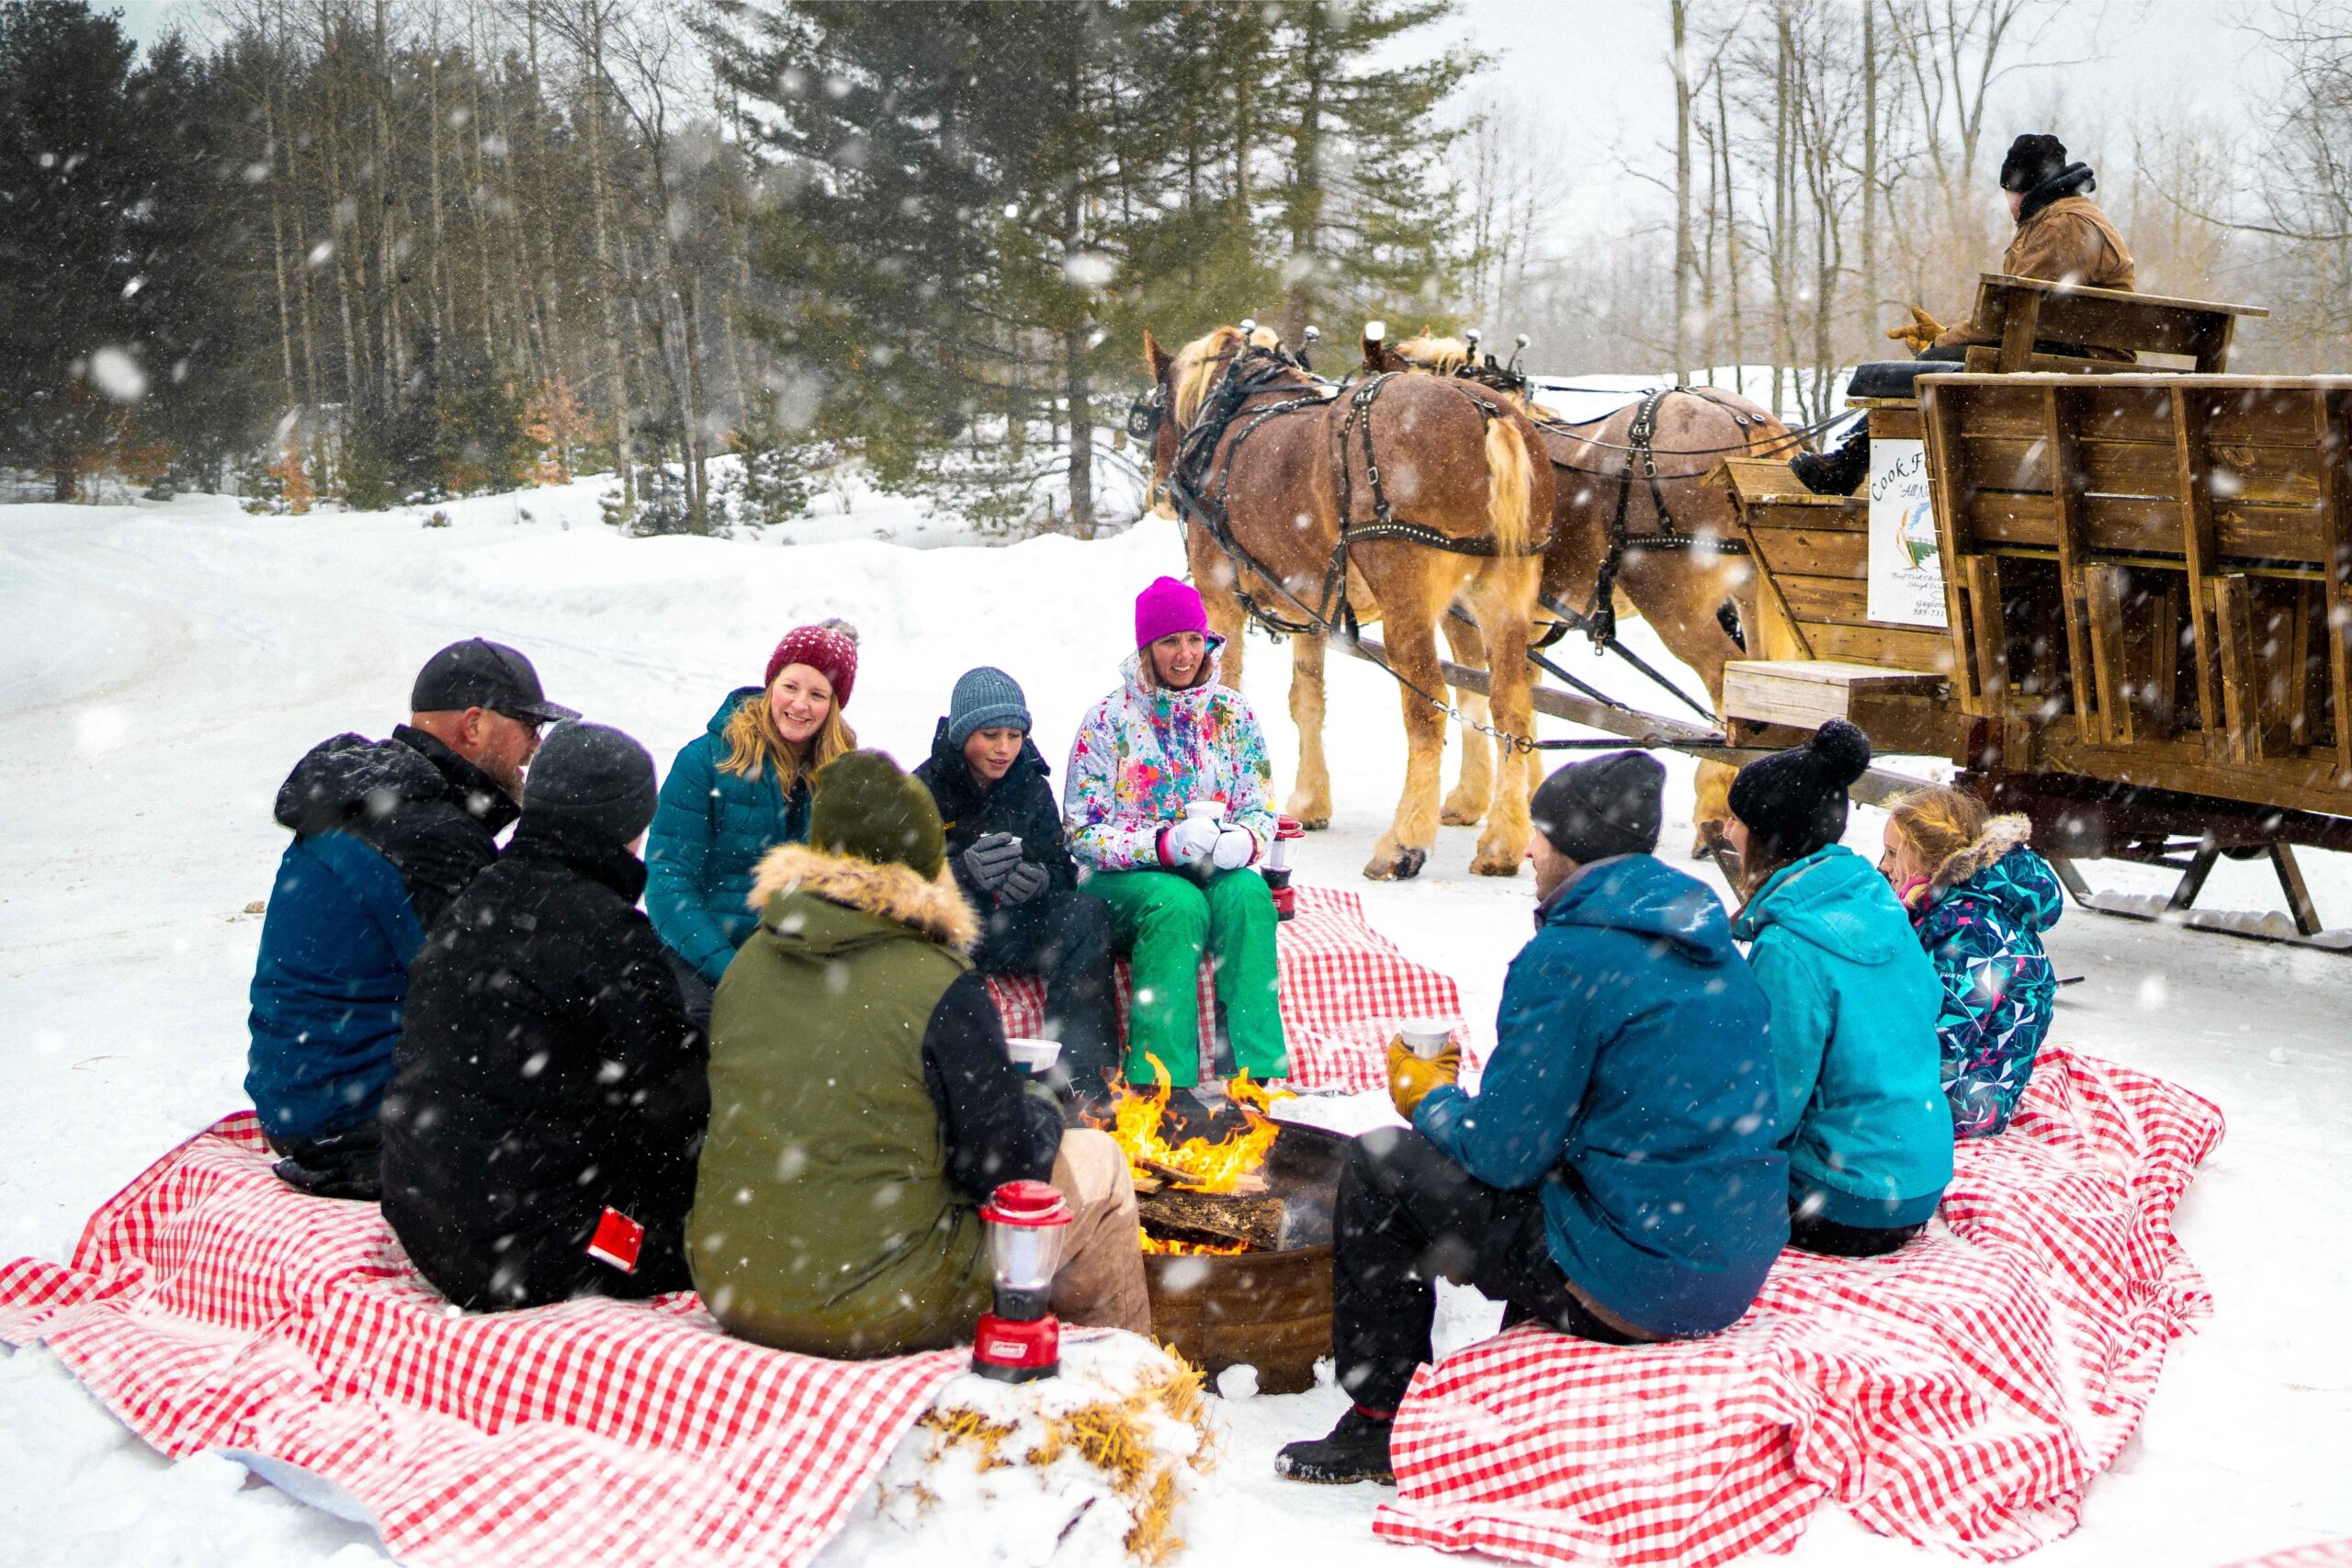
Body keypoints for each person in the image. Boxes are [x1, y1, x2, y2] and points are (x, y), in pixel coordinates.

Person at [1275, 751, 1787, 1486]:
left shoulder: (1570, 956)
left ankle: (1380, 1422)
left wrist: (1427, 1099)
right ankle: (1523, 1343)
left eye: (1539, 836)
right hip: (1729, 1264)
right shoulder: (1710, 941)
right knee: (1576, 1163)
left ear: (1574, 848)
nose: (1525, 849)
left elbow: (1505, 1154)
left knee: (1380, 1163)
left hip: (1640, 1286)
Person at [689, 750, 1148, 1358]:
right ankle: (1127, 1385)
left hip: (733, 1279)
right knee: (1101, 1162)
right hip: (885, 1301)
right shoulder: (937, 982)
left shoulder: (748, 961)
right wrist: (1036, 1103)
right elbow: (1003, 1171)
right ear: (930, 859)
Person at [380, 721, 708, 1309]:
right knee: (709, 1235)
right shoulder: (611, 936)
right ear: (630, 825)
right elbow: (679, 1108)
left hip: (426, 1216)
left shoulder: (477, 898)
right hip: (538, 1246)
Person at [246, 638, 575, 1200]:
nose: (534, 746)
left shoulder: (374, 799)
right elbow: (501, 993)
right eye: (526, 725)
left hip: (301, 1097)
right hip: (352, 1126)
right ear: (474, 726)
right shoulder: (424, 832)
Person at [1064, 577, 1288, 1140]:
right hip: (1123, 884)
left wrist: (1248, 840)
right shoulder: (1106, 722)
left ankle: (1255, 1074)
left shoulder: (1233, 714)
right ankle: (1161, 1083)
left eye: (1194, 639)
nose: (1184, 655)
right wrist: (1159, 844)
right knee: (1177, 901)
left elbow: (1260, 805)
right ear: (1146, 650)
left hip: (1213, 868)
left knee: (1247, 895)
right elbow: (1081, 831)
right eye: (1169, 643)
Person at [1793, 132, 2136, 495]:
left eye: (2008, 192)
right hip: (2078, 349)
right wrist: (1951, 339)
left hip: (2078, 357)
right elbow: (2022, 315)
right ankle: (1851, 462)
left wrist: (1943, 342)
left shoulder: (2058, 226)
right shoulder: (2066, 218)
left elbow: (2012, 315)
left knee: (1925, 373)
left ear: (2019, 189)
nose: (2007, 203)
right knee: (1940, 364)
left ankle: (1846, 468)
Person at [1724, 720, 1952, 1258]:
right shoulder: (1877, 901)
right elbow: (1924, 1007)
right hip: (1918, 1180)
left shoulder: (1787, 946)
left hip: (1846, 1201)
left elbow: (1771, 1103)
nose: (1728, 831)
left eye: (1738, 820)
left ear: (1769, 836)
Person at [915, 667, 1119, 1114]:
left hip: (1016, 928)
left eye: (1015, 734)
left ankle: (1078, 1074)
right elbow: (901, 887)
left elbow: (1062, 868)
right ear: (963, 732)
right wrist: (958, 873)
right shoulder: (923, 788)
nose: (1004, 748)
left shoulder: (1030, 785)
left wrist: (1043, 878)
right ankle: (964, 1087)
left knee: (1088, 913)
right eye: (990, 735)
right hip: (955, 932)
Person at [646, 620, 858, 1024]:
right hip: (704, 960)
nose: (799, 705)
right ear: (771, 684)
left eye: (817, 694)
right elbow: (668, 882)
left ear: (834, 705)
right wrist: (734, 970)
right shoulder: (705, 761)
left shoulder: (844, 774)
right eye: (790, 687)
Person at [1881, 788, 2063, 1139]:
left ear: (1930, 860)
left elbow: (1937, 1042)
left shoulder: (1971, 933)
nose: (1884, 866)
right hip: (1952, 1095)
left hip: (1960, 1108)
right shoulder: (1958, 908)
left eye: (1892, 853)